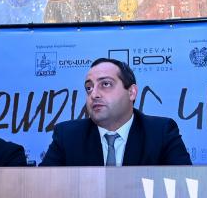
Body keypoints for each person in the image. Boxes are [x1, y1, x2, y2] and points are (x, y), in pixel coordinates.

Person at [40, 58, 192, 166]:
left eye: (105, 84)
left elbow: (183, 187)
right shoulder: (67, 136)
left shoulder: (161, 132)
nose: (94, 94)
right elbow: (43, 188)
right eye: (89, 88)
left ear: (131, 92)